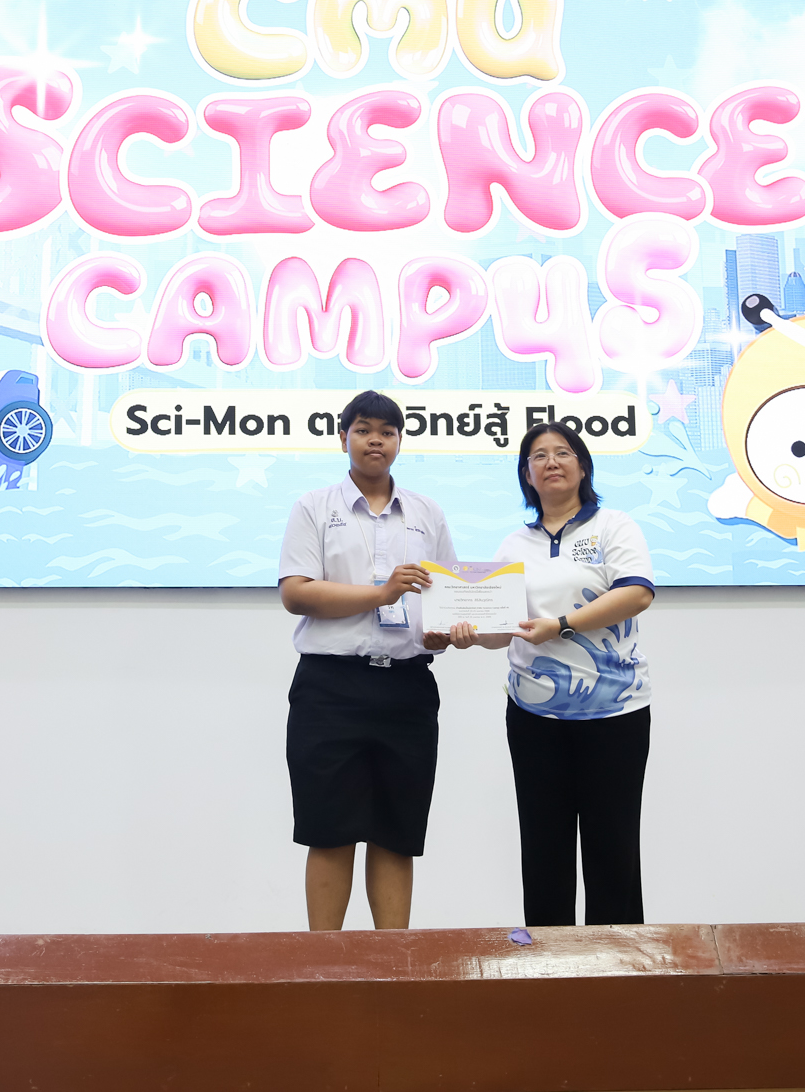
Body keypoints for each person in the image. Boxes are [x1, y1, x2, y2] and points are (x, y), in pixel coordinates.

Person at [444, 421, 655, 927]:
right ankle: (548, 959)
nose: (551, 462)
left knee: (613, 847)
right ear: (527, 475)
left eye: (563, 453)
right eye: (539, 456)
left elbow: (636, 592)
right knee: (543, 847)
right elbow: (504, 630)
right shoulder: (513, 545)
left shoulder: (614, 526)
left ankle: (617, 960)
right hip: (534, 718)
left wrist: (560, 624)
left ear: (583, 466)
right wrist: (470, 634)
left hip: (615, 714)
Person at [277, 390, 457, 930]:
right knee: (329, 831)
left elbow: (447, 603)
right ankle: (324, 964)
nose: (375, 440)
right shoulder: (314, 507)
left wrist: (446, 634)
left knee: (396, 833)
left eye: (386, 431)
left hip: (407, 690)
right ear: (343, 439)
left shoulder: (427, 512)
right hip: (329, 689)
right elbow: (296, 594)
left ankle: (393, 964)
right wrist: (381, 594)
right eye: (362, 430)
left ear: (400, 441)